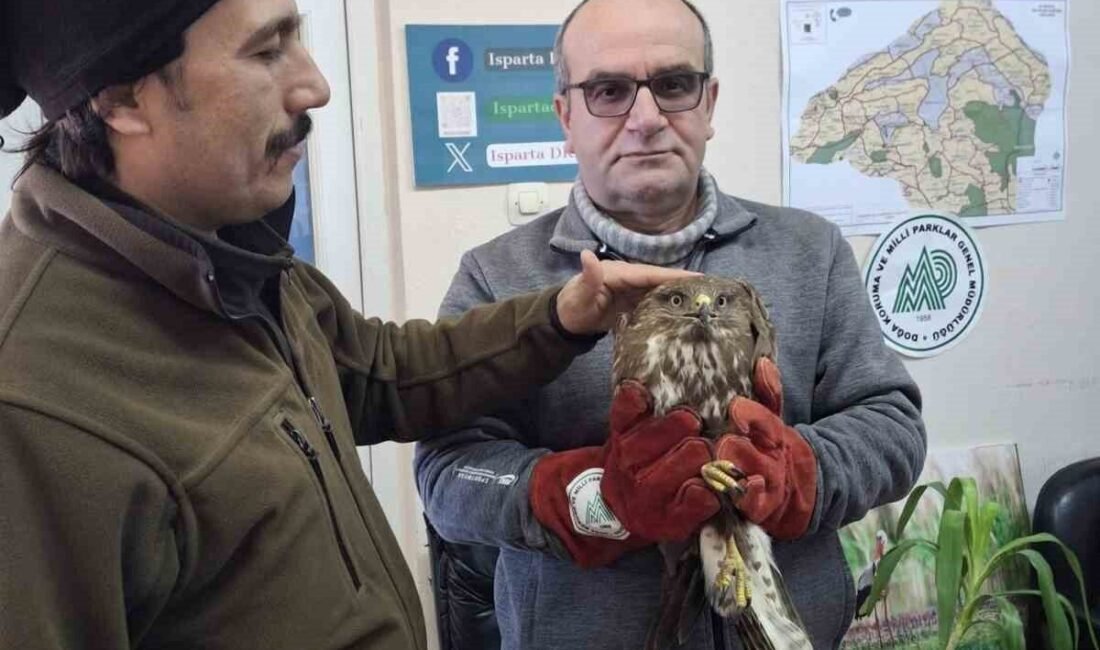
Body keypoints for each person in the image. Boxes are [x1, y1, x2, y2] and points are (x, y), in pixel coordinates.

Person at [0, 0, 698, 648]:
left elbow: (383, 374)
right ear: (123, 98)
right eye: (267, 50)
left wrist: (561, 316)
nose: (314, 86)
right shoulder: (32, 402)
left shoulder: (234, 259)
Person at [414, 0, 927, 648]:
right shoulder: (495, 278)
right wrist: (586, 497)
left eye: (674, 85)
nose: (647, 119)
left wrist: (802, 472)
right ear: (565, 117)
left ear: (708, 104)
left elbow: (892, 423)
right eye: (608, 91)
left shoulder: (811, 251)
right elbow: (448, 473)